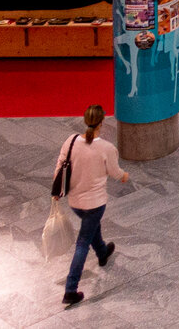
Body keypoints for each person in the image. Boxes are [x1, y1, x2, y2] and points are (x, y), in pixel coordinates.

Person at [54, 104, 130, 307]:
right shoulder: (106, 148)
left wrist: (56, 192)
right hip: (95, 203)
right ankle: (70, 289)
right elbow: (115, 172)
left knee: (91, 227)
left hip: (75, 202)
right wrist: (124, 176)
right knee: (82, 242)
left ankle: (103, 252)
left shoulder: (71, 141)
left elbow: (60, 166)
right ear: (102, 123)